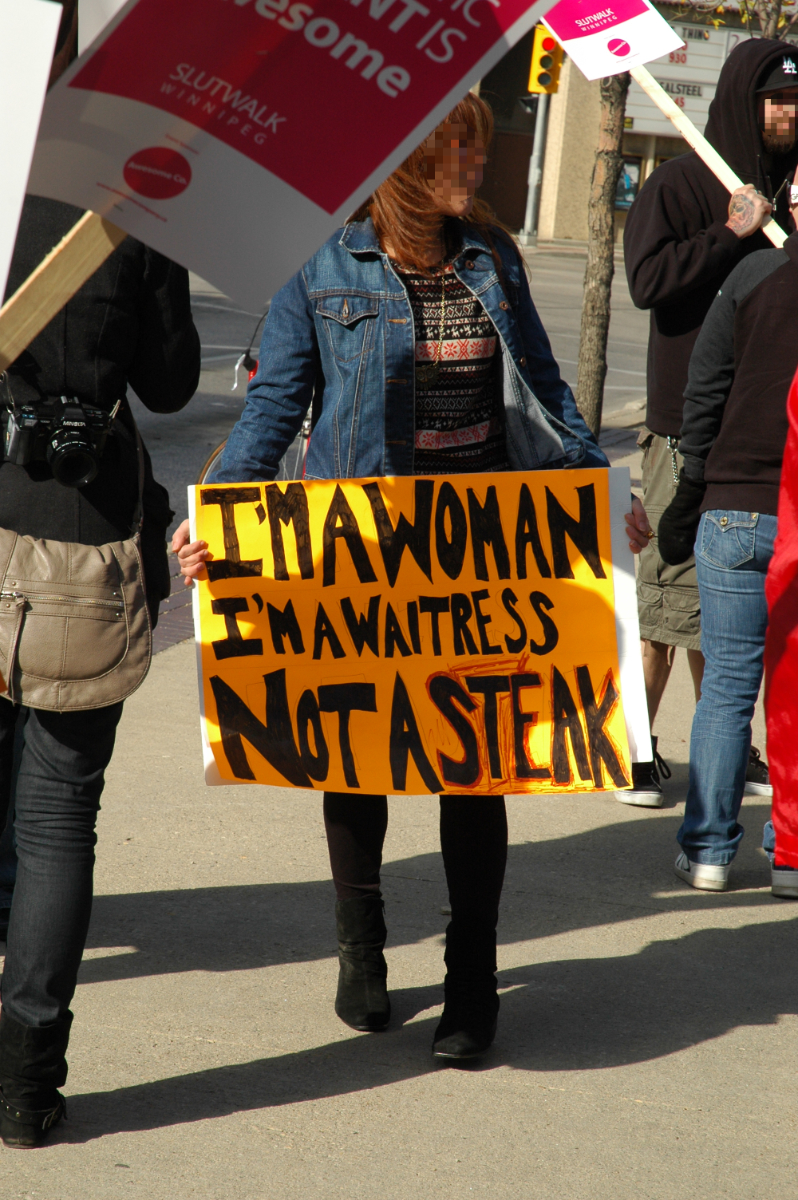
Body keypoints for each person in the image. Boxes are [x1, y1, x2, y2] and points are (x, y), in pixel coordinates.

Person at [175, 93, 651, 1062]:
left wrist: (597, 493)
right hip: (362, 552)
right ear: (408, 164)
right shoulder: (324, 264)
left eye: (476, 150)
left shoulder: (493, 258)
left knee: (477, 768)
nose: (478, 167)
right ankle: (363, 945)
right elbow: (273, 411)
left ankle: (473, 981)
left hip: (481, 554)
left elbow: (547, 392)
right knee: (355, 755)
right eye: (459, 152)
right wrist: (219, 518)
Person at [0, 0, 201, 1148]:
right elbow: (172, 385)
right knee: (58, 819)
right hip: (84, 538)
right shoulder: (136, 195)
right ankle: (29, 1082)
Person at [622, 38, 798, 806]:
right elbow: (647, 281)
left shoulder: (788, 185)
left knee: (723, 610)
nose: (789, 113)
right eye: (776, 99)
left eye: (796, 100)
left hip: (762, 430)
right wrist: (729, 232)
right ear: (741, 99)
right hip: (683, 429)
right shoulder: (682, 183)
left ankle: (732, 756)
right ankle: (634, 749)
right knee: (665, 597)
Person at [655, 171, 798, 891]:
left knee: (728, 685)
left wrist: (689, 492)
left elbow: (702, 392)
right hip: (795, 512)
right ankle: (791, 853)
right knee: (794, 687)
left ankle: (709, 849)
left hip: (734, 507)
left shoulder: (750, 277)